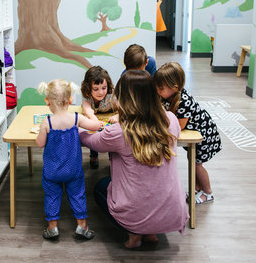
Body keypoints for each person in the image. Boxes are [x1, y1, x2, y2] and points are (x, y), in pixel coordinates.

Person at [79, 70, 188, 249]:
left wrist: (76, 123)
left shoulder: (119, 131)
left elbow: (89, 141)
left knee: (99, 187)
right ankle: (151, 233)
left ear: (122, 99)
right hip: (172, 213)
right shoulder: (171, 120)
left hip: (134, 216)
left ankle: (135, 235)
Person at [35, 79, 102, 240]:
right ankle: (82, 226)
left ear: (47, 102)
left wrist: (41, 131)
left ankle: (52, 228)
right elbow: (96, 126)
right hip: (73, 169)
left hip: (52, 171)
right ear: (70, 100)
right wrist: (91, 114)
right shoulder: (76, 119)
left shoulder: (47, 122)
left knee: (52, 196)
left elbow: (40, 144)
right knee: (77, 195)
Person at [154, 61, 221, 204]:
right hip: (196, 135)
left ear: (175, 87)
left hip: (205, 136)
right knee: (193, 161)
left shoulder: (184, 101)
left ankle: (208, 193)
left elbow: (178, 126)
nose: (158, 91)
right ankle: (196, 188)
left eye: (161, 88)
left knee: (197, 165)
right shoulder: (169, 96)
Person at [80, 66, 118, 169]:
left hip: (109, 117)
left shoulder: (112, 94)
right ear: (88, 88)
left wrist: (118, 116)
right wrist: (94, 120)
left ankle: (113, 156)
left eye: (104, 88)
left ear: (108, 86)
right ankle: (94, 155)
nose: (100, 92)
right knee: (93, 130)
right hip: (94, 116)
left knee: (113, 133)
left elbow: (124, 108)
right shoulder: (86, 93)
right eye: (95, 89)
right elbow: (87, 109)